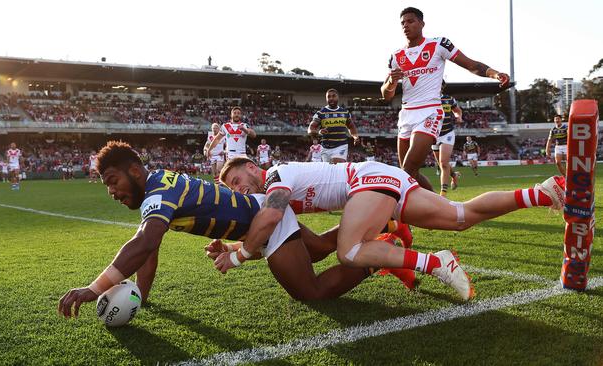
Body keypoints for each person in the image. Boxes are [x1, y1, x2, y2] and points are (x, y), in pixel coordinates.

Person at [57, 141, 381, 318]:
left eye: (113, 181)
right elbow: (149, 248)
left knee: (311, 291)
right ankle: (383, 223)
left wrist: (94, 288)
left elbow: (144, 243)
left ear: (134, 171)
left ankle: (376, 257)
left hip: (264, 219)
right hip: (259, 210)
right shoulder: (158, 184)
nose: (112, 192)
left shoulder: (158, 193)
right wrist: (142, 295)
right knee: (321, 249)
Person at [219, 157, 567, 301]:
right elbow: (301, 243)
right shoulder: (273, 187)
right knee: (460, 217)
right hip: (380, 179)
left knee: (350, 251)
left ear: (253, 167)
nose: (238, 190)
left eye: (237, 180)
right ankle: (544, 191)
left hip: (367, 181)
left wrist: (240, 256)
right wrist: (237, 249)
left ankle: (435, 263)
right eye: (232, 188)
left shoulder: (277, 175)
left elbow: (273, 216)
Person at [381, 7, 509, 191]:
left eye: (410, 21)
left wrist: (495, 74)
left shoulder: (439, 44)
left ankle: (393, 216)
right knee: (411, 174)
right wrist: (392, 82)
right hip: (406, 114)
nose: (405, 26)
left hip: (430, 112)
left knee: (406, 172)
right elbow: (386, 94)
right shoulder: (396, 56)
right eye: (403, 23)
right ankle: (437, 209)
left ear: (422, 23)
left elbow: (472, 65)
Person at [308, 89, 360, 163]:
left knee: (337, 164)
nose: (331, 98)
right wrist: (318, 132)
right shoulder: (320, 113)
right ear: (326, 99)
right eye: (328, 97)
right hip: (325, 147)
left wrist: (355, 136)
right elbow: (311, 128)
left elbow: (351, 127)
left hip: (341, 145)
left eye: (333, 96)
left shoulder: (345, 112)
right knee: (328, 170)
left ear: (338, 97)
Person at [431, 82, 463, 196]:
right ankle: (454, 175)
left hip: (447, 133)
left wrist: (458, 117)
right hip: (433, 135)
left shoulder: (449, 99)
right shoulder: (427, 99)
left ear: (442, 86)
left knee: (443, 163)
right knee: (441, 164)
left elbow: (457, 110)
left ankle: (443, 193)